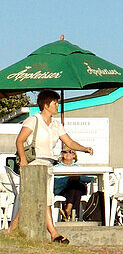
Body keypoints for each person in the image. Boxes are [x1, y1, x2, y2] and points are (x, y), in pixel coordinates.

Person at [14, 90, 95, 244]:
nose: (57, 105)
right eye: (55, 103)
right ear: (46, 105)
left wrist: (84, 148)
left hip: (49, 164)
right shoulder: (33, 120)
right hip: (34, 164)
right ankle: (54, 233)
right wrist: (23, 160)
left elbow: (69, 143)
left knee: (36, 199)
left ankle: (12, 229)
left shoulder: (56, 125)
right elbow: (20, 140)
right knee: (46, 199)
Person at [53, 148, 94, 222]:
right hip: (63, 190)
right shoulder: (56, 168)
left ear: (74, 155)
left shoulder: (79, 167)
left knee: (75, 185)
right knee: (74, 187)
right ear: (62, 154)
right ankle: (73, 214)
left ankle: (68, 209)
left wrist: (79, 177)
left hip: (77, 188)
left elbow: (90, 178)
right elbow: (54, 182)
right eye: (65, 152)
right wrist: (67, 180)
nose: (68, 154)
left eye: (71, 152)